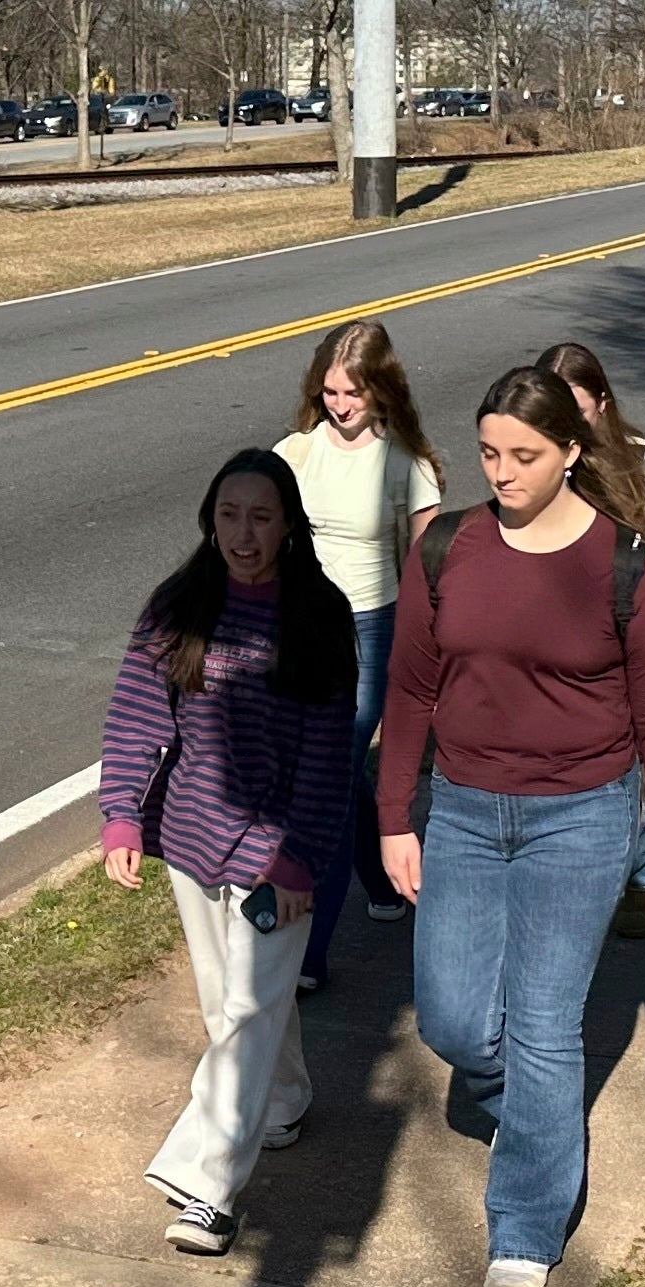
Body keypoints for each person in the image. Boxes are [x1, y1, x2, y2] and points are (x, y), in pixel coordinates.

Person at [378, 366, 645, 1287]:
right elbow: (407, 692)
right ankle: (533, 1116)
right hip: (467, 812)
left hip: (584, 816)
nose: (503, 473)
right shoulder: (447, 548)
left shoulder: (629, 567)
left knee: (548, 1026)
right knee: (453, 1020)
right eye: (489, 454)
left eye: (525, 456)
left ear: (570, 454)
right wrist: (397, 815)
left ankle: (523, 1223)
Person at [100, 448, 362, 1257]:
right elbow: (140, 718)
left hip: (276, 851)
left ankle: (206, 1186)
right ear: (209, 521)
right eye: (228, 515)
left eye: (260, 516)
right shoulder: (178, 605)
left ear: (288, 525)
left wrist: (298, 858)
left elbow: (329, 754)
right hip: (189, 840)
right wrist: (121, 819)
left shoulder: (320, 615)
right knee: (231, 1011)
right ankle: (282, 1099)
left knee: (247, 1013)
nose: (243, 533)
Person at [277, 318, 444, 990]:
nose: (340, 406)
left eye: (353, 393)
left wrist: (427, 653)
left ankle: (310, 954)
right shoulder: (295, 453)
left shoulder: (408, 465)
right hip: (306, 627)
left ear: (382, 389)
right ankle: (380, 879)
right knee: (331, 770)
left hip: (376, 627)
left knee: (329, 772)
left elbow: (429, 570)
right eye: (330, 393)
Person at [538, 339, 645, 920]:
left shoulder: (643, 461)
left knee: (636, 744)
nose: (567, 427)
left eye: (578, 411)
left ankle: (641, 870)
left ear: (604, 405)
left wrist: (623, 587)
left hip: (631, 626)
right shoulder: (534, 460)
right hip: (558, 631)